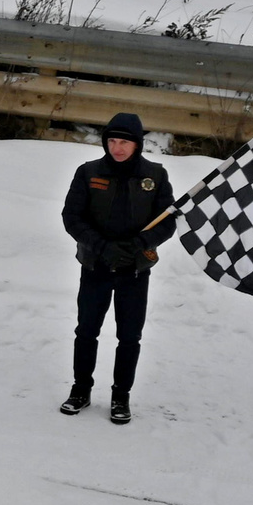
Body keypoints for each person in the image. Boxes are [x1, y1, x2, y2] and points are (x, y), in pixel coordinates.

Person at [59, 111, 177, 425]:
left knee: (129, 337)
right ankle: (80, 390)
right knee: (86, 331)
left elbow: (168, 223)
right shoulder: (88, 172)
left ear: (137, 144)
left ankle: (120, 397)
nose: (117, 148)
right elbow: (72, 218)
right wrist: (101, 246)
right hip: (95, 266)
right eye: (112, 140)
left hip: (135, 271)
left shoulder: (156, 176)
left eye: (124, 141)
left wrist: (139, 245)